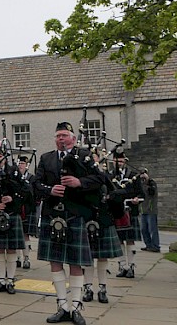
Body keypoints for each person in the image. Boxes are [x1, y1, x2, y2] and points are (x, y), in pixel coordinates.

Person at [33, 122, 108, 325]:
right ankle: (62, 306)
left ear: (73, 139)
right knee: (55, 261)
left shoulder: (83, 156)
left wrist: (79, 183)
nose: (61, 139)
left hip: (74, 215)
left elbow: (101, 179)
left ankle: (75, 307)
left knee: (75, 262)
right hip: (52, 215)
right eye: (58, 135)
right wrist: (49, 190)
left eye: (65, 135)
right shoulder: (46, 158)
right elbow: (35, 183)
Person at [0, 148, 29, 295]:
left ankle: (10, 280)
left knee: (11, 249)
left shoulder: (14, 172)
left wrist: (12, 199)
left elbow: (25, 191)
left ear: (5, 158)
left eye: (0, 156)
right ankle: (1, 279)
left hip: (11, 213)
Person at [82, 148, 124, 305]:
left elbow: (117, 195)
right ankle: (87, 288)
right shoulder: (82, 178)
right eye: (90, 159)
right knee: (87, 259)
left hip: (104, 221)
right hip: (86, 221)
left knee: (102, 258)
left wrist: (112, 199)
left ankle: (102, 289)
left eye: (95, 159)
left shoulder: (106, 178)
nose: (93, 162)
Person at [110, 152, 144, 278]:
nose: (118, 162)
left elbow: (141, 193)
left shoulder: (133, 175)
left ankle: (131, 267)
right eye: (116, 160)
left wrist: (137, 198)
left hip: (131, 210)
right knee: (118, 240)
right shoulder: (109, 176)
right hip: (116, 211)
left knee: (130, 239)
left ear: (125, 160)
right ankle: (122, 266)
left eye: (120, 160)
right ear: (113, 161)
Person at [17, 154, 36, 269]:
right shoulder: (14, 176)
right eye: (19, 163)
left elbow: (33, 193)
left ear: (27, 165)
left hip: (27, 209)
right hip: (16, 208)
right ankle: (17, 259)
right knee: (16, 235)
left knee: (25, 235)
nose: (20, 166)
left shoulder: (31, 178)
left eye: (22, 163)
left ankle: (26, 258)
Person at [138, 167, 161, 253]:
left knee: (152, 229)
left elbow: (152, 192)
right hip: (143, 209)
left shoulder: (152, 183)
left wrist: (147, 181)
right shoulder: (140, 184)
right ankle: (148, 245)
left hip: (151, 210)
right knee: (144, 229)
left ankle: (155, 246)